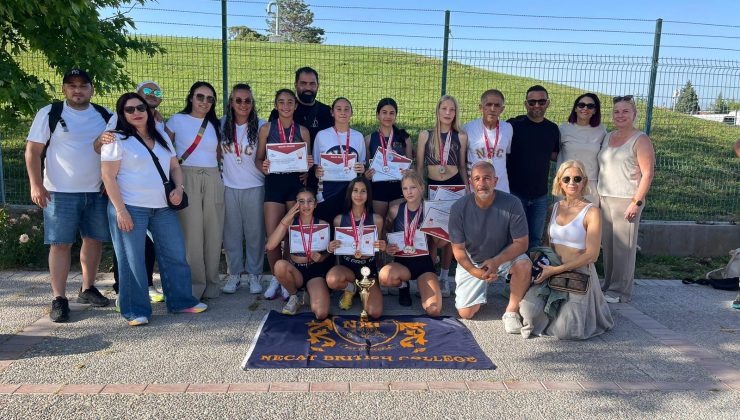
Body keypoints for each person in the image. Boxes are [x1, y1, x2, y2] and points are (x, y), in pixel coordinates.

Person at [101, 93, 207, 325]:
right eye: (129, 110)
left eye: (140, 108)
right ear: (122, 114)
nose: (136, 113)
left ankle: (181, 301)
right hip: (130, 207)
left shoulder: (160, 135)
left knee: (175, 254)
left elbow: (175, 167)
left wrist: (178, 188)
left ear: (147, 111)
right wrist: (120, 210)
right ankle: (135, 310)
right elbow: (108, 177)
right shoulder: (115, 139)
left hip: (162, 208)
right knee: (132, 261)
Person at [25, 68, 111, 322]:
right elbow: (32, 151)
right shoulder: (50, 113)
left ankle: (87, 288)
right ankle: (59, 298)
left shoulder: (104, 115)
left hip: (96, 190)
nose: (77, 90)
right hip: (59, 192)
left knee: (93, 240)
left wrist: (111, 181)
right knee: (60, 244)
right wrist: (36, 185)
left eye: (83, 85)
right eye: (72, 85)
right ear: (64, 89)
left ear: (92, 89)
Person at [519, 160, 614, 339]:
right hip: (551, 269)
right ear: (559, 182)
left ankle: (578, 310)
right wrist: (539, 266)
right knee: (527, 312)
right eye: (567, 179)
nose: (572, 183)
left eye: (577, 178)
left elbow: (592, 255)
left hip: (578, 272)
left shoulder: (592, 212)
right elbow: (547, 244)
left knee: (567, 331)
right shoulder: (553, 208)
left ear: (584, 182)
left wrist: (556, 270)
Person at [100, 80, 167, 302]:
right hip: (127, 195)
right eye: (146, 91)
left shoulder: (159, 121)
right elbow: (101, 146)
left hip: (153, 195)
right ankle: (123, 290)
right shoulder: (120, 118)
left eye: (156, 91)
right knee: (127, 247)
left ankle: (147, 284)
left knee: (148, 244)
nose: (152, 94)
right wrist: (101, 139)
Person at [449, 161, 531, 332]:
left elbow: (522, 243)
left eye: (487, 178)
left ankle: (511, 311)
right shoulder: (458, 208)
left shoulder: (512, 203)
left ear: (495, 180)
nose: (482, 183)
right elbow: (458, 249)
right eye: (477, 179)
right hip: (474, 260)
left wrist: (496, 261)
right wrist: (474, 272)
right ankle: (482, 289)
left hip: (504, 256)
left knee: (524, 264)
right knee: (466, 313)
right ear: (470, 182)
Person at [166, 81, 224, 300]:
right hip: (186, 176)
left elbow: (219, 154)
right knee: (192, 235)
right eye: (200, 97)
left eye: (210, 99)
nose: (204, 102)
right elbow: (163, 150)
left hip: (212, 176)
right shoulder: (176, 120)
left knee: (213, 232)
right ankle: (194, 287)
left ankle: (212, 285)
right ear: (191, 97)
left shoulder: (216, 124)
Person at [598, 95, 655, 303]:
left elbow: (648, 174)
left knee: (624, 249)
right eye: (616, 111)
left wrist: (636, 202)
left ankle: (620, 291)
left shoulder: (641, 139)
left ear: (634, 114)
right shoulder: (607, 136)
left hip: (627, 200)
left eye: (625, 111)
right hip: (605, 198)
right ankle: (608, 285)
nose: (620, 115)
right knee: (609, 248)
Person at [257, 89, 312, 301]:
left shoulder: (303, 131)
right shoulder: (266, 128)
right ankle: (275, 277)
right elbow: (258, 159)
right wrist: (263, 166)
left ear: (296, 106)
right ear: (275, 105)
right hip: (274, 184)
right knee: (273, 235)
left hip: (294, 186)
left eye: (290, 102)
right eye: (281, 102)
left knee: (291, 235)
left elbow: (307, 162)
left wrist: (308, 168)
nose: (286, 106)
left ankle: (286, 276)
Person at [416, 95, 469, 298]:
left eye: (452, 109)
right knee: (431, 233)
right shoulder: (425, 135)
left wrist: (466, 190)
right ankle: (430, 276)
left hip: (454, 187)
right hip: (433, 187)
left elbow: (462, 166)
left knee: (450, 235)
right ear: (438, 110)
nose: (448, 113)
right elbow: (419, 166)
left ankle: (445, 277)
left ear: (456, 113)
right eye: (444, 108)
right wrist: (420, 190)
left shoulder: (460, 136)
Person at [220, 83, 267, 295]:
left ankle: (255, 274)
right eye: (238, 100)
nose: (243, 104)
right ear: (231, 102)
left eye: (247, 100)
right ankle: (235, 274)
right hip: (229, 186)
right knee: (231, 234)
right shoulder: (221, 124)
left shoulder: (262, 126)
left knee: (255, 234)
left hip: (255, 186)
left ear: (252, 103)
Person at [379, 172, 442, 315]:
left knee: (434, 310)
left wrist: (441, 228)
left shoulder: (430, 210)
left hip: (424, 265)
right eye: (405, 188)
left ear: (421, 187)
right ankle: (403, 286)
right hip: (402, 264)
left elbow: (439, 244)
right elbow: (385, 231)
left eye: (413, 187)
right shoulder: (395, 210)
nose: (409, 192)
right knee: (384, 277)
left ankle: (423, 286)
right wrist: (387, 247)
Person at [507, 85, 560, 249]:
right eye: (532, 102)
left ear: (548, 103)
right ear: (525, 104)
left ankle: (532, 265)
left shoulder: (552, 129)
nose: (537, 105)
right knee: (515, 239)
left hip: (540, 196)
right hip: (516, 194)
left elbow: (554, 155)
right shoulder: (513, 126)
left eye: (541, 102)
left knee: (535, 240)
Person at [268, 188, 333, 319]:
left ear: (315, 204)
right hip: (296, 271)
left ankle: (309, 293)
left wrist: (322, 257)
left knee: (321, 313)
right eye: (301, 201)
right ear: (296, 204)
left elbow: (327, 253)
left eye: (310, 201)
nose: (306, 205)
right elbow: (270, 245)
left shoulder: (323, 224)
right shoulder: (291, 223)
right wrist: (286, 218)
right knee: (279, 265)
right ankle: (294, 296)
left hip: (314, 270)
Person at [326, 177, 386, 315]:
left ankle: (362, 289)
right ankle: (351, 288)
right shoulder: (339, 220)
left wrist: (383, 247)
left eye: (363, 191)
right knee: (332, 279)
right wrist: (331, 247)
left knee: (375, 312)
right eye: (355, 190)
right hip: (348, 269)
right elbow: (336, 252)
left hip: (368, 271)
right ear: (350, 193)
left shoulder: (377, 219)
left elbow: (378, 250)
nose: (359, 195)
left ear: (368, 194)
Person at [314, 97, 367, 224]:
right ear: (332, 112)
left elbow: (363, 164)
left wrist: (362, 168)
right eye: (338, 109)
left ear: (351, 113)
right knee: (328, 227)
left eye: (346, 109)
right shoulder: (322, 135)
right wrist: (317, 171)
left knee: (347, 228)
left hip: (351, 193)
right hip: (328, 192)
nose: (343, 112)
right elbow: (316, 163)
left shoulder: (358, 136)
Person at [365, 98, 413, 221]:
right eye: (384, 112)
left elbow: (411, 167)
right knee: (378, 223)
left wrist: (409, 172)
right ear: (378, 115)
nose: (388, 116)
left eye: (392, 113)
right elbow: (366, 169)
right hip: (377, 188)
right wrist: (367, 174)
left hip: (398, 187)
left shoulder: (404, 138)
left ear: (396, 116)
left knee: (396, 224)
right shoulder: (369, 139)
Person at [558, 93, 606, 204]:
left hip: (590, 185)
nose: (585, 108)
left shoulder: (601, 131)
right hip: (567, 183)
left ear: (595, 111)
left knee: (590, 215)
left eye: (590, 106)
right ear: (575, 108)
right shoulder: (563, 129)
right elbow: (553, 153)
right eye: (581, 105)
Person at [463, 89, 513, 193]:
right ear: (481, 108)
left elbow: (507, 154)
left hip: (501, 189)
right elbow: (462, 159)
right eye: (488, 104)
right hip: (477, 190)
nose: (492, 109)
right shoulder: (468, 128)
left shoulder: (507, 128)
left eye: (497, 105)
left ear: (502, 109)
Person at [269, 67, 333, 141]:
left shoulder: (327, 112)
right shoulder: (282, 111)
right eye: (303, 83)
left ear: (318, 86)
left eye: (312, 84)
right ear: (296, 85)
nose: (308, 88)